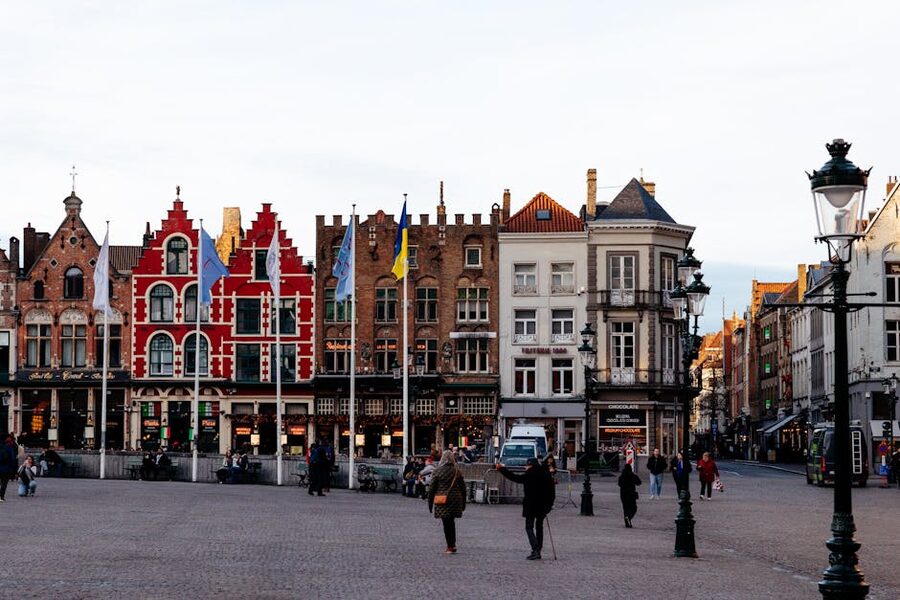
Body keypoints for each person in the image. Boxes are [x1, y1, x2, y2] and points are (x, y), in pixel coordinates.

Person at [497, 457, 555, 560]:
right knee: (539, 527)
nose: (525, 467)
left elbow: (515, 478)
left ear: (530, 465)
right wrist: (549, 506)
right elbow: (552, 492)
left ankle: (535, 549)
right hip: (543, 506)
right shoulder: (546, 474)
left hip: (531, 505)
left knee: (529, 527)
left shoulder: (529, 475)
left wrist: (502, 469)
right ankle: (538, 549)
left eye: (526, 465)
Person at [428, 451, 466, 554]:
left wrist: (430, 504)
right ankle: (453, 544)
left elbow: (432, 489)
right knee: (451, 522)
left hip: (443, 500)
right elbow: (463, 488)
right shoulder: (457, 471)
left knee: (446, 522)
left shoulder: (438, 471)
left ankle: (450, 545)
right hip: (455, 499)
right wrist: (463, 503)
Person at [618, 463, 642, 527]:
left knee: (625, 508)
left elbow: (619, 484)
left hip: (623, 494)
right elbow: (639, 482)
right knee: (633, 508)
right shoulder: (632, 476)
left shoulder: (621, 476)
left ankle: (627, 522)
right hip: (631, 494)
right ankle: (629, 517)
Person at [0, 436, 17, 502]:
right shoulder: (10, 448)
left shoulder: (1, 447)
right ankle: (1, 496)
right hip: (6, 468)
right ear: (11, 442)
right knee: (4, 483)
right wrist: (12, 468)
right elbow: (13, 459)